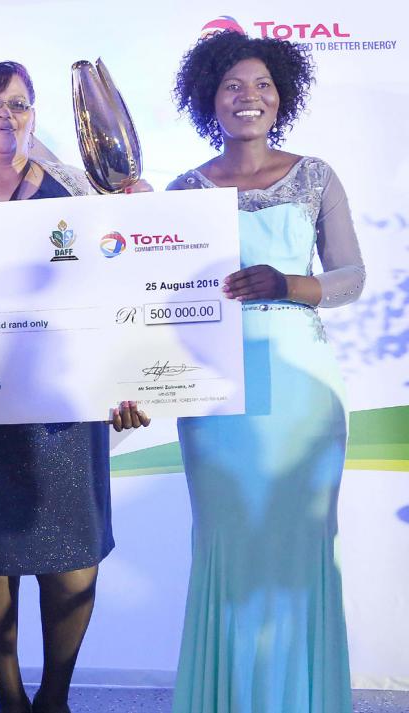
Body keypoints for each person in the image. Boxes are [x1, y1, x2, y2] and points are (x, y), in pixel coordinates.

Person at [0, 61, 149, 713]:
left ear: (32, 114)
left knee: (73, 558)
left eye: (17, 103)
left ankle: (55, 696)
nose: (4, 115)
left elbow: (119, 290)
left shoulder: (75, 192)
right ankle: (11, 697)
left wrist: (129, 379)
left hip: (63, 412)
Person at [168, 31, 364, 713]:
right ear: (208, 99)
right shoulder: (184, 190)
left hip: (302, 391)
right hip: (215, 392)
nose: (248, 98)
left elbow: (351, 277)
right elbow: (158, 302)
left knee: (297, 547)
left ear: (281, 97)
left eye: (262, 86)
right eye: (232, 87)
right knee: (226, 544)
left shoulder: (316, 175)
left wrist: (287, 282)